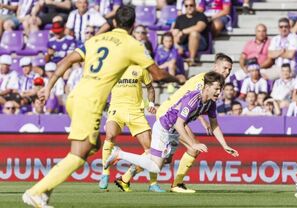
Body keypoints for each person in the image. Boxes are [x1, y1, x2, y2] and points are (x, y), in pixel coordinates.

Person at [22, 6, 178, 207]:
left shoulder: (96, 39)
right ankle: (36, 192)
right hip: (91, 102)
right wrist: (178, 77)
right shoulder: (132, 44)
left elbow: (68, 60)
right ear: (133, 25)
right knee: (79, 154)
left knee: (93, 146)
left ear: (114, 23)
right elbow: (157, 75)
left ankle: (43, 192)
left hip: (75, 97)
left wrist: (48, 87)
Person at [113, 53, 233, 193]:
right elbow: (190, 102)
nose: (227, 72)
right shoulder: (204, 82)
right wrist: (202, 121)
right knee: (193, 147)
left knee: (164, 158)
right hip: (170, 115)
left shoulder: (212, 85)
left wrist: (204, 122)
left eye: (229, 70)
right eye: (225, 68)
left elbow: (197, 105)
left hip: (175, 114)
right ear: (215, 66)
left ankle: (125, 178)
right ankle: (177, 184)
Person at [99, 65, 161, 192]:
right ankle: (105, 173)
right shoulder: (113, 67)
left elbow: (150, 88)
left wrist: (151, 104)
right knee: (110, 135)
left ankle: (152, 183)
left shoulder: (141, 69)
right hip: (116, 109)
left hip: (136, 112)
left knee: (150, 150)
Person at [172, 0, 209, 66]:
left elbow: (199, 27)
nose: (189, 7)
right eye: (186, 5)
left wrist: (183, 31)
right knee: (174, 33)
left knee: (194, 33)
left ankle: (192, 59)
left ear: (195, 5)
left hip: (200, 43)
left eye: (191, 5)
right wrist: (177, 46)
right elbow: (175, 32)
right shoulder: (180, 18)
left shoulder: (201, 15)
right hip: (184, 43)